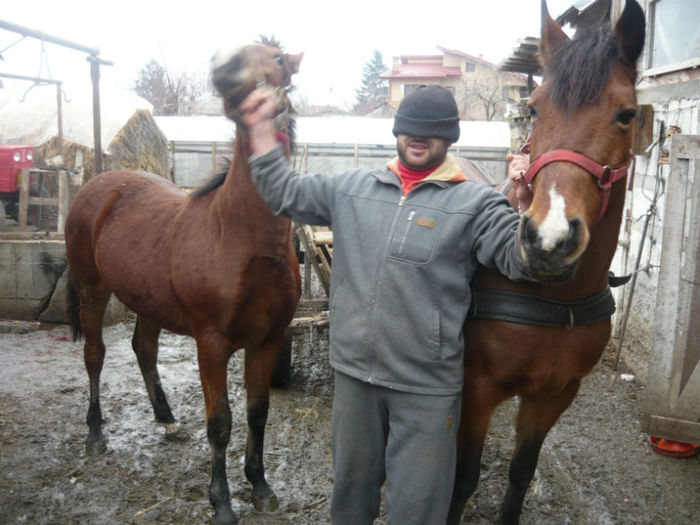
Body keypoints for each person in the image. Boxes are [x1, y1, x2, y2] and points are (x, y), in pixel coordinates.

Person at [241, 84, 532, 525]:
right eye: (410, 127)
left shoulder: (476, 202)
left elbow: (523, 261)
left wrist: (534, 210)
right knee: (350, 498)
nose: (419, 137)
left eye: (432, 130)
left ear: (449, 138)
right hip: (355, 379)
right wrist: (262, 133)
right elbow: (283, 193)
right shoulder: (354, 187)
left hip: (427, 390)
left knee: (416, 510)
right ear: (397, 131)